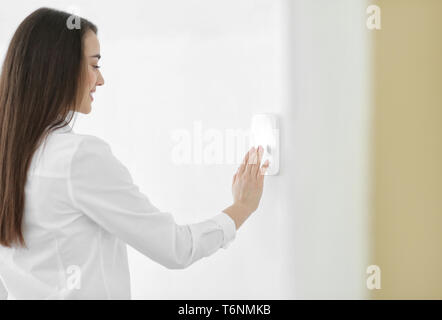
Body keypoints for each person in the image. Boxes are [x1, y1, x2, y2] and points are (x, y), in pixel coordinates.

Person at [0, 7, 269, 299]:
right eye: (93, 65)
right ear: (59, 67)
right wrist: (242, 207)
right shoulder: (76, 158)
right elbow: (176, 248)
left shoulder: (9, 158)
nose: (100, 80)